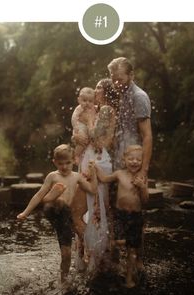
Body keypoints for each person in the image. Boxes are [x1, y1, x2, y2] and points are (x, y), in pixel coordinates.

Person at [17, 144, 97, 287]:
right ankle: (52, 198)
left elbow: (92, 189)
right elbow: (38, 195)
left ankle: (64, 281)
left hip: (64, 219)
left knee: (66, 254)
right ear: (54, 162)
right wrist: (25, 212)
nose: (65, 167)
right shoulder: (53, 176)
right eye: (60, 164)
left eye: (68, 163)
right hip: (52, 210)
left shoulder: (77, 177)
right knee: (56, 201)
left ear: (74, 161)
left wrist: (94, 172)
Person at [71, 78, 116, 273]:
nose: (96, 91)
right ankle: (84, 256)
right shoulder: (88, 109)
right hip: (85, 158)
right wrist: (75, 136)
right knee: (83, 208)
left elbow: (99, 142)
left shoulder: (106, 112)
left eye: (99, 88)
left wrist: (89, 122)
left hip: (97, 161)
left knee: (96, 207)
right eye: (95, 87)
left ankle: (97, 256)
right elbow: (78, 130)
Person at [95, 145, 149, 288]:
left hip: (136, 216)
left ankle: (129, 278)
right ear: (124, 159)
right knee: (119, 241)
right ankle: (116, 252)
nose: (134, 162)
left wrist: (142, 187)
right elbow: (104, 178)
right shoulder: (119, 174)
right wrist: (95, 166)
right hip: (120, 215)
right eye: (131, 158)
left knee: (132, 250)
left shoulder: (142, 177)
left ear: (142, 161)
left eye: (138, 159)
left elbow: (145, 200)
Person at [107, 57, 152, 181]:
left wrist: (143, 170)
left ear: (131, 75)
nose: (116, 84)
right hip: (120, 160)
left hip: (134, 164)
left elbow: (147, 136)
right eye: (113, 80)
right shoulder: (123, 93)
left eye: (120, 80)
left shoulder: (139, 97)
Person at [71, 87, 97, 165]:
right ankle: (76, 155)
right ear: (79, 100)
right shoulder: (79, 109)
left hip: (89, 129)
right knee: (82, 142)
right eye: (84, 100)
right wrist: (75, 128)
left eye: (90, 101)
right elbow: (74, 118)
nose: (87, 103)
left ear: (94, 101)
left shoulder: (94, 109)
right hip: (80, 127)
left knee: (89, 140)